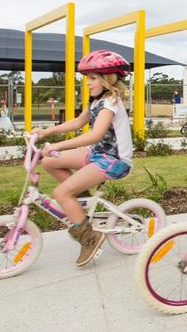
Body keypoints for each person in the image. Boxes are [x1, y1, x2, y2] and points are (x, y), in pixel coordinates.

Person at [32, 50, 135, 268]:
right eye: (87, 78)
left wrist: (58, 145)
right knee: (49, 161)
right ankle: (82, 204)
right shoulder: (97, 101)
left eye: (93, 78)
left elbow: (95, 135)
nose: (87, 83)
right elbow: (78, 122)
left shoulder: (110, 103)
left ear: (108, 79)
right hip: (99, 154)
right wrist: (46, 133)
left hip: (114, 160)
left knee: (61, 193)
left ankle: (90, 238)